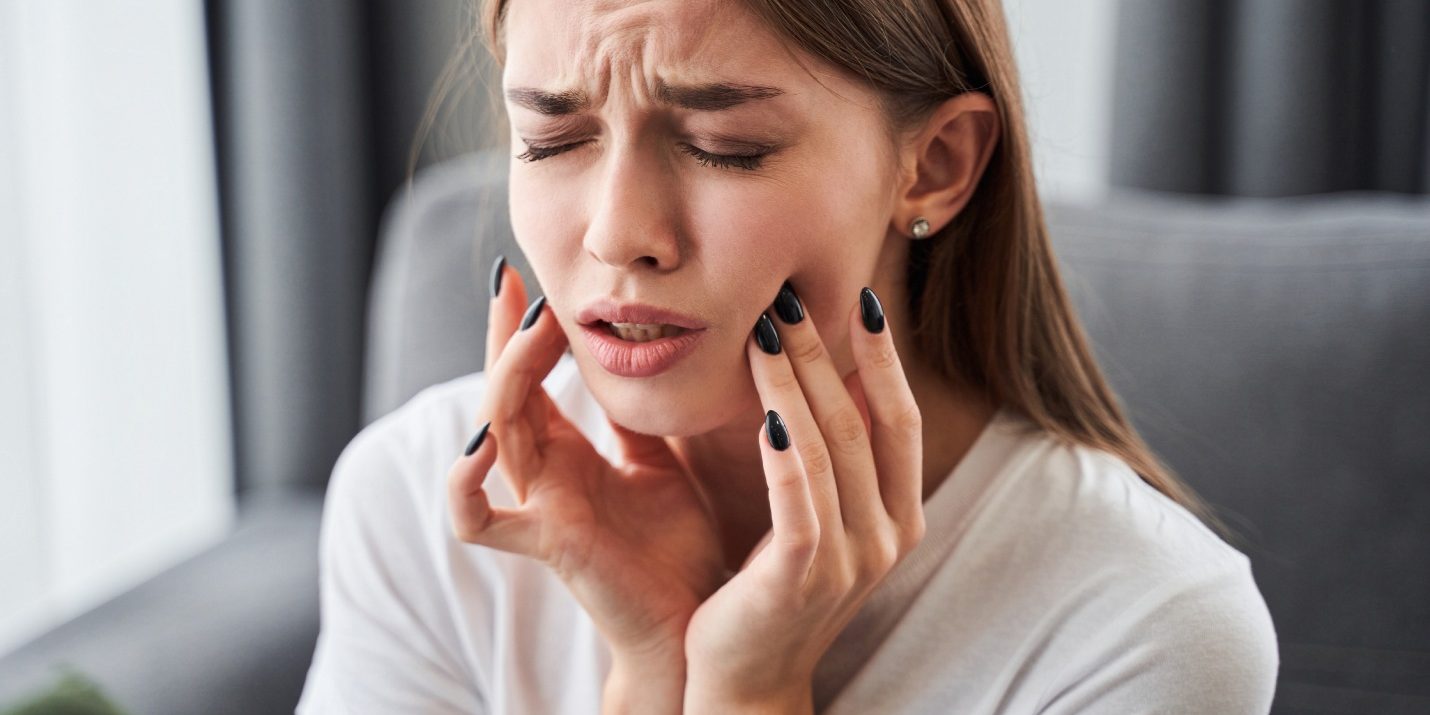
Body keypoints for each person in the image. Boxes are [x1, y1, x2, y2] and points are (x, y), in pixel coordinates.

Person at [296, 0, 1281, 712]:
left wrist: (748, 691)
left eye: (723, 144)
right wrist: (650, 669)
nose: (617, 233)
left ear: (934, 165)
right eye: (552, 139)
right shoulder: (419, 498)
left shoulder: (1146, 626)